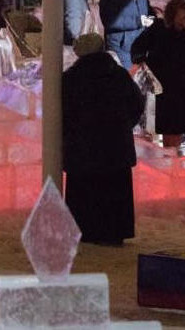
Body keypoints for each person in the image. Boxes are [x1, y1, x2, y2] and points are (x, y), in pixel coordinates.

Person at [62, 33, 143, 246]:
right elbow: (136, 103)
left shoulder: (71, 79)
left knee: (85, 192)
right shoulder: (118, 75)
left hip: (82, 148)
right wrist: (123, 126)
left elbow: (62, 113)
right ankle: (114, 233)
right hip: (116, 147)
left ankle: (86, 231)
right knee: (114, 191)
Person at [131, 0, 185, 148]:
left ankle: (172, 161)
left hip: (182, 92)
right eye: (178, 17)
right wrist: (140, 59)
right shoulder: (160, 29)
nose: (182, 21)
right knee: (152, 130)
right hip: (158, 88)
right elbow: (138, 46)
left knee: (174, 132)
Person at [99, 0, 153, 69]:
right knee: (126, 76)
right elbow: (110, 20)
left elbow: (149, 11)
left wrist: (152, 18)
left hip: (139, 43)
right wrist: (138, 21)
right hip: (120, 45)